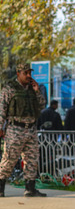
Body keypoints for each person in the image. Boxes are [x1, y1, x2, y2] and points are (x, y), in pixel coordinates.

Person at [0, 63, 47, 197]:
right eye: (25, 73)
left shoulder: (32, 88)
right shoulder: (9, 88)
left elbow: (42, 105)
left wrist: (37, 91)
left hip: (31, 129)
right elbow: (2, 109)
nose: (28, 76)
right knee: (9, 159)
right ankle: (0, 187)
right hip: (15, 129)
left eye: (30, 73)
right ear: (18, 73)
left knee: (32, 160)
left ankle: (30, 188)